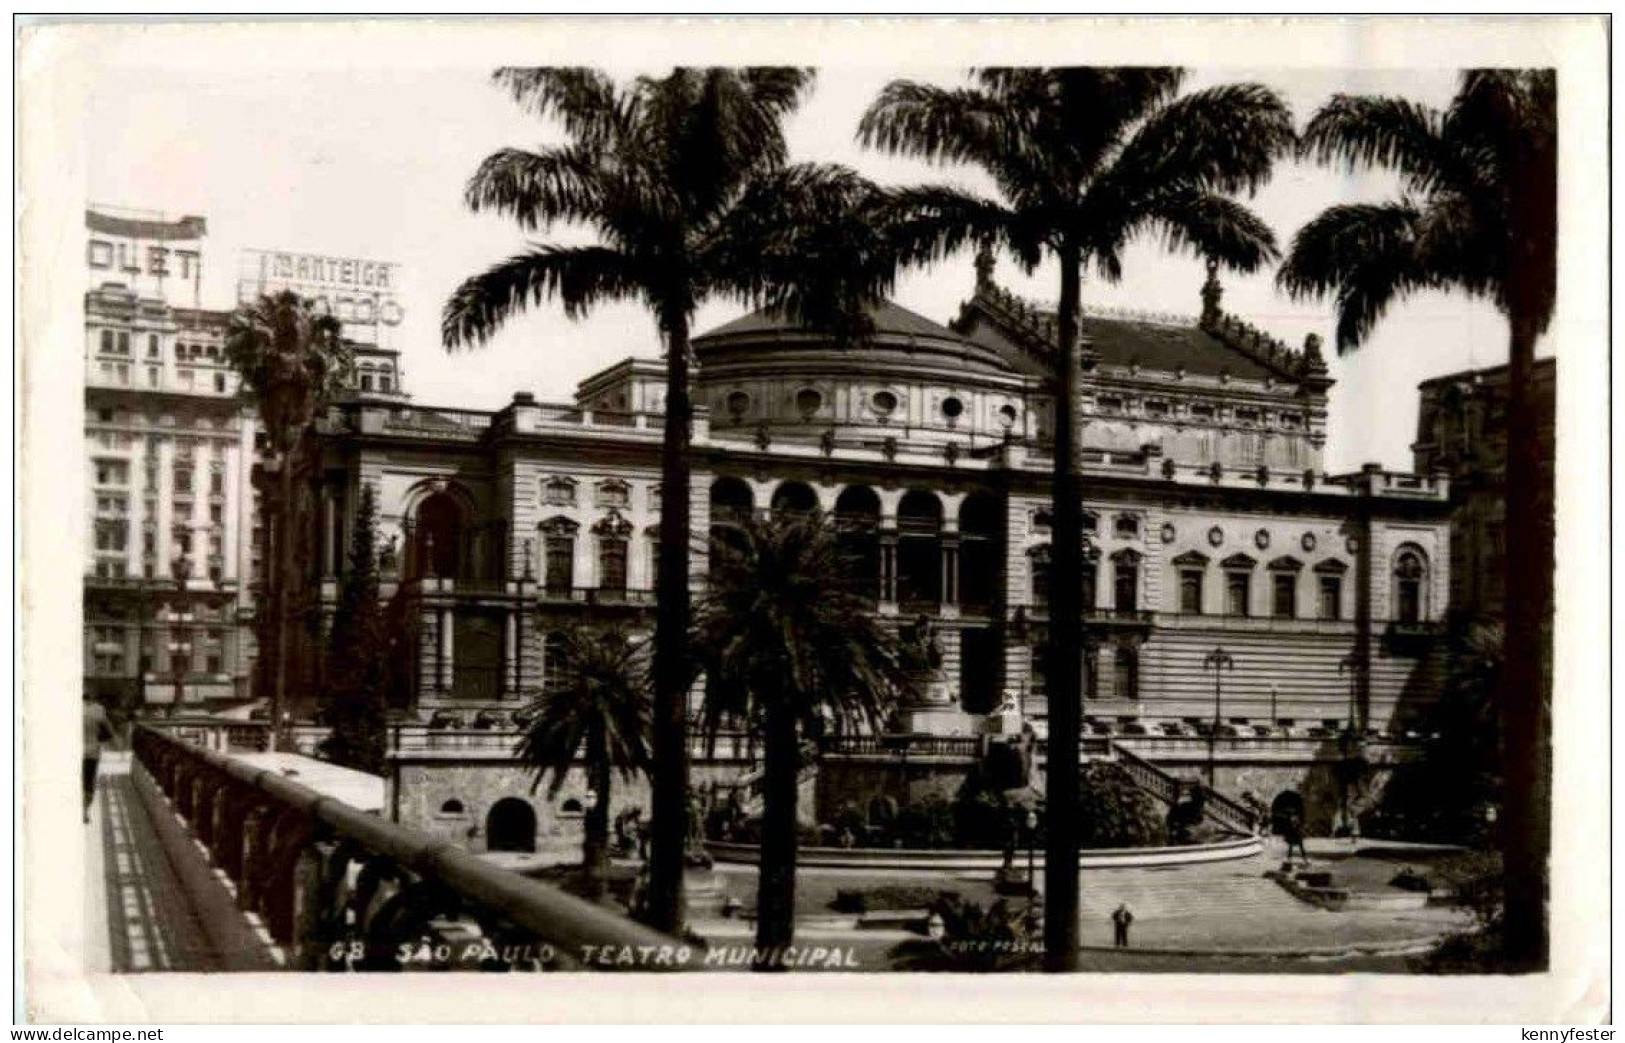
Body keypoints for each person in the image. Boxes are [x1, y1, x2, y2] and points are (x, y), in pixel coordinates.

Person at [83, 697, 114, 823]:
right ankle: (84, 810)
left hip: (71, 753)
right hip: (92, 752)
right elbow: (109, 732)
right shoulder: (98, 710)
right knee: (88, 781)